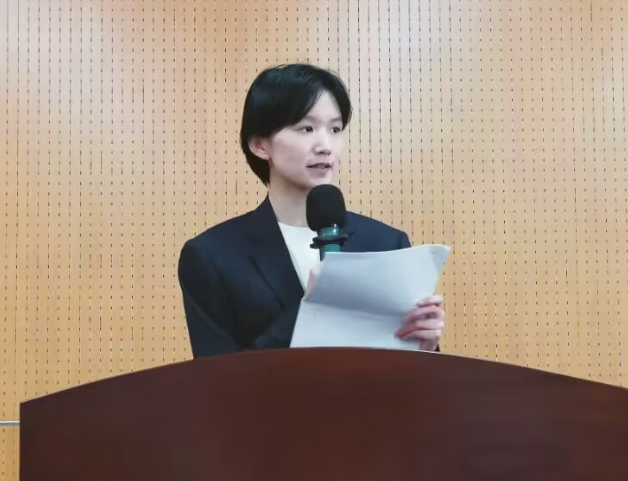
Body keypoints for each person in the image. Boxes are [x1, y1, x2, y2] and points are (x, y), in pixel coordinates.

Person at [178, 64, 446, 358]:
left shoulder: (388, 244)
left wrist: (424, 348)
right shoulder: (211, 255)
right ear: (259, 145)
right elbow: (217, 378)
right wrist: (314, 306)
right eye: (306, 128)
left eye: (335, 129)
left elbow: (411, 375)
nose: (326, 146)